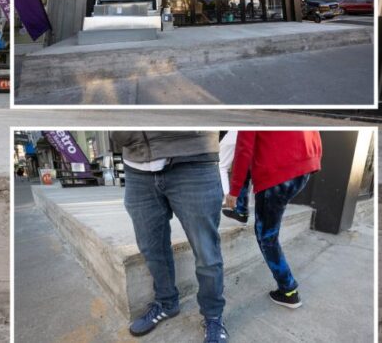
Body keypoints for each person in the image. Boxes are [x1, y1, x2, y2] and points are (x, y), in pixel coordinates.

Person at [110, 131, 227, 343]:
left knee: (206, 251)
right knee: (151, 248)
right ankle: (166, 302)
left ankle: (213, 315)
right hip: (136, 167)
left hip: (192, 159)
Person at [226, 131, 322, 309]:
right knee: (268, 231)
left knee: (267, 237)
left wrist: (234, 190)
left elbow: (243, 149)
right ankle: (241, 209)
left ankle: (288, 290)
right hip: (304, 166)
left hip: (278, 174)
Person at [219, 131, 251, 224]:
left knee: (222, 167)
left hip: (230, 135)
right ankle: (242, 211)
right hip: (242, 136)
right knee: (244, 170)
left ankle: (228, 202)